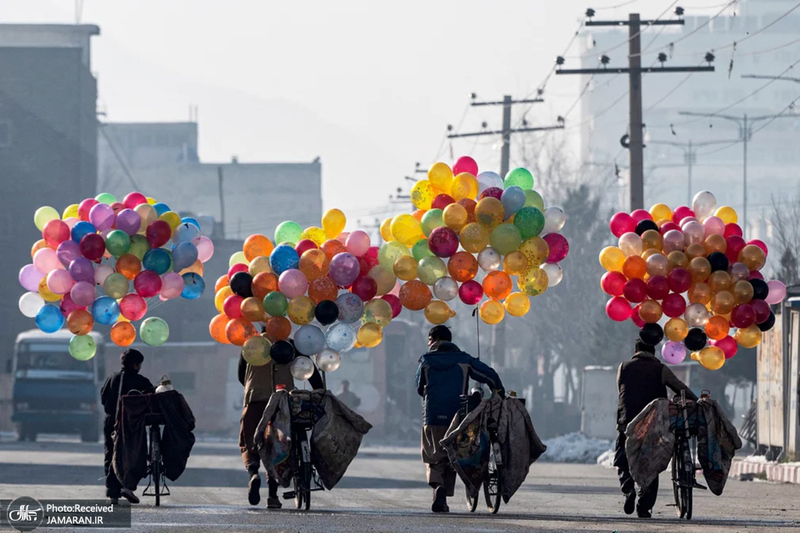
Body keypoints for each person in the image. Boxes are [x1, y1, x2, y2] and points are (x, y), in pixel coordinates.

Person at [415, 325, 505, 513]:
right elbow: (489, 374)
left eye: (429, 339)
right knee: (451, 453)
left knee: (434, 457)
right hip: (459, 417)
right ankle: (444, 496)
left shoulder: (426, 360)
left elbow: (418, 387)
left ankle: (438, 488)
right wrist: (498, 391)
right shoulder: (464, 360)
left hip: (432, 415)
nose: (428, 342)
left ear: (434, 339)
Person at [237, 334, 324, 510]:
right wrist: (320, 391)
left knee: (248, 440)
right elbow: (310, 371)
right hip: (284, 402)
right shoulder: (292, 345)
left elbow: (241, 376)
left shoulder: (251, 344)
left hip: (255, 399)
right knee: (278, 444)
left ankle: (253, 472)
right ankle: (272, 496)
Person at [615, 339, 698, 519]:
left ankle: (628, 489)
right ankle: (644, 506)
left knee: (622, 459)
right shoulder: (661, 369)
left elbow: (620, 390)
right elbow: (680, 388)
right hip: (653, 425)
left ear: (635, 349)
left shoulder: (623, 367)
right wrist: (695, 401)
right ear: (653, 352)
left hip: (627, 422)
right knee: (651, 461)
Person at [100, 349, 155, 505]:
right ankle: (128, 486)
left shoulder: (112, 378)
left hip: (111, 421)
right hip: (133, 425)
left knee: (111, 454)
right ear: (135, 365)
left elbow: (104, 399)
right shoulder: (141, 382)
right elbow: (152, 400)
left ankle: (113, 493)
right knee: (135, 454)